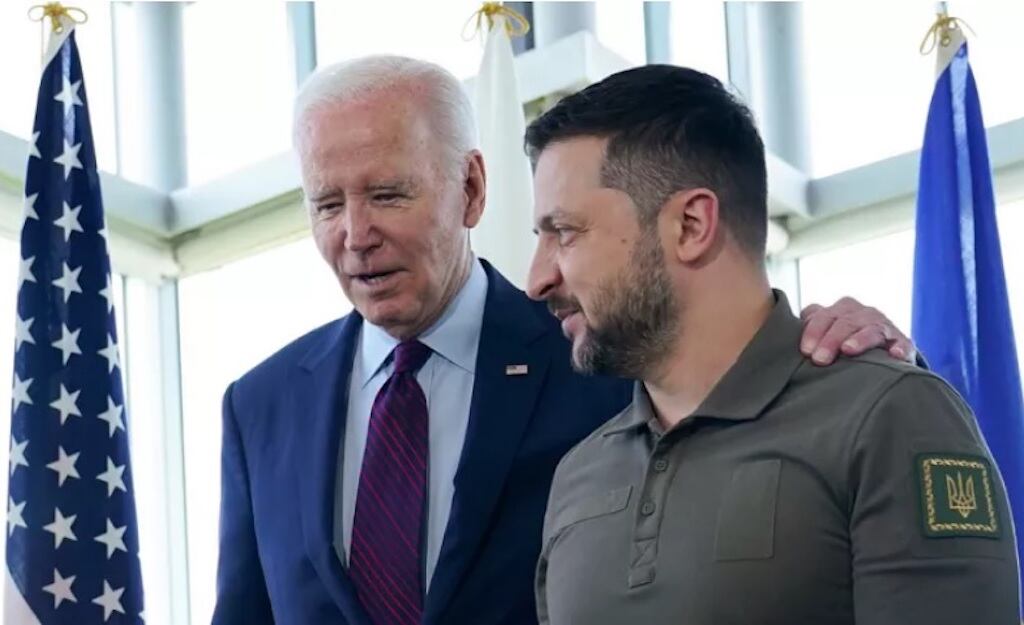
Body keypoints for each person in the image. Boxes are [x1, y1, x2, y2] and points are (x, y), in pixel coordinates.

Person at [211, 56, 917, 625]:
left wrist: (859, 354)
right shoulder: (260, 406)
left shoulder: (604, 348)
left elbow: (744, 367)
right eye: (327, 205)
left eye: (388, 195)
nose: (355, 234)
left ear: (471, 188)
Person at [527, 64, 1020, 625]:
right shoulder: (578, 472)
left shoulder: (886, 417)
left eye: (565, 233)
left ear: (690, 225)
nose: (537, 279)